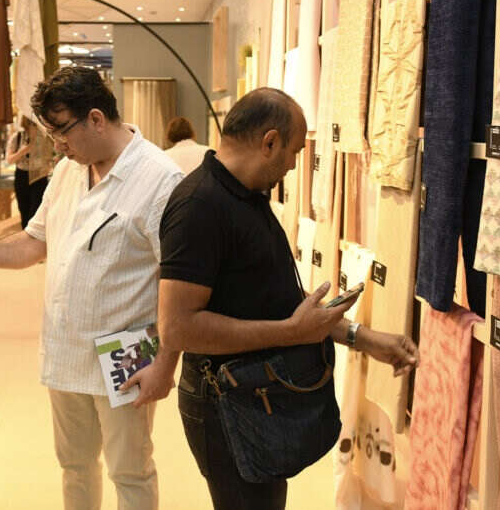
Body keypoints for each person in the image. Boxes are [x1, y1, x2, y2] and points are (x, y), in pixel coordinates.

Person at [157, 87, 419, 509]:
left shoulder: (245, 196)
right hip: (227, 406)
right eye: (295, 152)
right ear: (270, 141)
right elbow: (176, 328)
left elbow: (276, 296)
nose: (295, 164)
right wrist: (290, 333)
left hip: (252, 398)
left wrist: (363, 338)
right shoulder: (199, 205)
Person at [0, 66, 184, 510]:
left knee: (130, 470)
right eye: (50, 134)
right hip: (65, 346)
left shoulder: (160, 180)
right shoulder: (68, 172)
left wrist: (166, 364)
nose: (56, 145)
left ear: (96, 118)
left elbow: (177, 284)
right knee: (74, 464)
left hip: (127, 349)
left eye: (61, 132)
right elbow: (36, 242)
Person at [6, 115, 55, 229]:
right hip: (22, 175)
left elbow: (53, 155)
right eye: (31, 123)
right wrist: (24, 150)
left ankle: (36, 236)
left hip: (39, 176)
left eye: (35, 124)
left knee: (37, 212)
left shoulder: (45, 138)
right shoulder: (18, 137)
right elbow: (10, 159)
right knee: (24, 209)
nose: (33, 127)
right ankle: (25, 234)